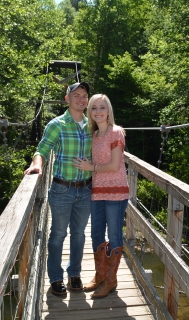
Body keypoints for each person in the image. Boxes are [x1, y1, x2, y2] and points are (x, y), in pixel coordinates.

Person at [23, 82, 93, 296]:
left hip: (86, 189)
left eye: (84, 96)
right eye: (76, 95)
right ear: (67, 99)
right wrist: (37, 164)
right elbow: (42, 149)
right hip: (62, 189)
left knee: (79, 234)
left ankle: (75, 274)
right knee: (58, 234)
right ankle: (55, 277)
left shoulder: (93, 125)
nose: (81, 99)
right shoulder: (57, 124)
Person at [73, 94, 129, 299]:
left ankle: (111, 282)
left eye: (102, 107)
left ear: (109, 110)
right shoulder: (94, 135)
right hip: (97, 191)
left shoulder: (116, 133)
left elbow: (114, 165)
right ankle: (100, 275)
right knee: (96, 234)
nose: (98, 111)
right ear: (90, 111)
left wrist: (91, 167)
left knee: (114, 235)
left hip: (116, 191)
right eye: (94, 108)